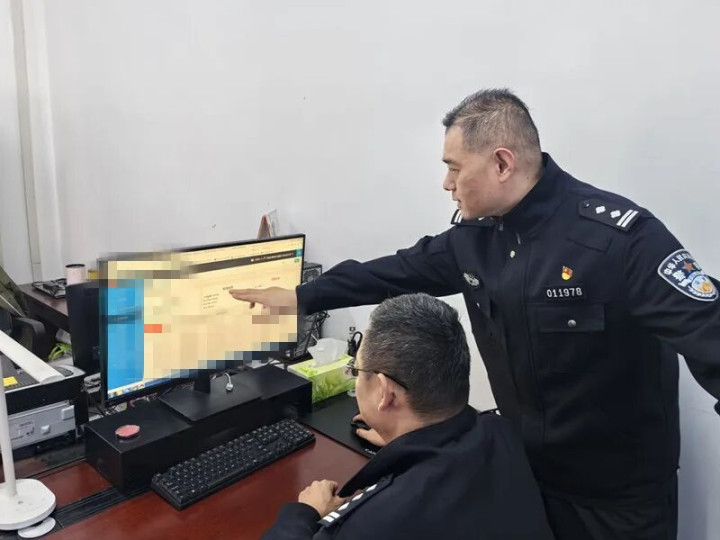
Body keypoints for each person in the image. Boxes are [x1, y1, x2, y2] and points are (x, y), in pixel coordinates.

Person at [232, 89, 720, 540]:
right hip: (526, 477)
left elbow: (711, 334)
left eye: (454, 168)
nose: (446, 183)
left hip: (616, 502)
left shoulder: (618, 240)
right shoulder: (477, 239)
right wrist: (301, 297)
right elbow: (391, 272)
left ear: (502, 163)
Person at [261, 293, 554, 540]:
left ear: (385, 393)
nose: (355, 378)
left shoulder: (372, 524)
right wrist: (396, 437)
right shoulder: (501, 432)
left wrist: (305, 512)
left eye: (357, 370)